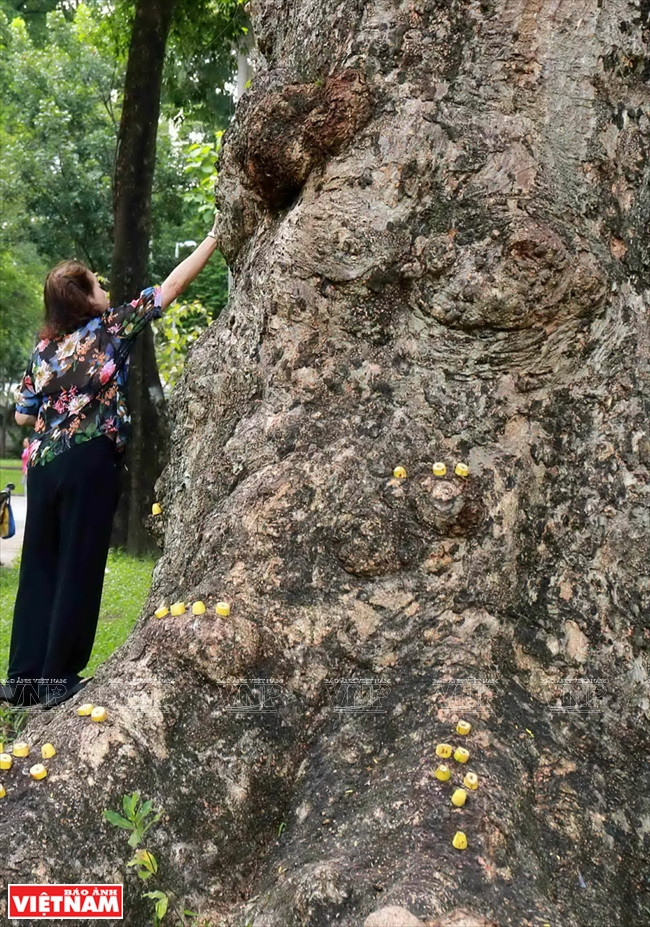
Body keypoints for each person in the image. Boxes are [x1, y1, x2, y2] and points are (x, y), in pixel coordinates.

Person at [0, 214, 220, 710]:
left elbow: (20, 414)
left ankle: (23, 679)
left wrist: (58, 399)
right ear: (85, 299)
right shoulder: (111, 327)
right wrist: (213, 236)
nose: (103, 287)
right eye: (96, 284)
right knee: (79, 564)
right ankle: (58, 678)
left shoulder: (43, 351)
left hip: (44, 465)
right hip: (88, 461)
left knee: (39, 566)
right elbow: (171, 287)